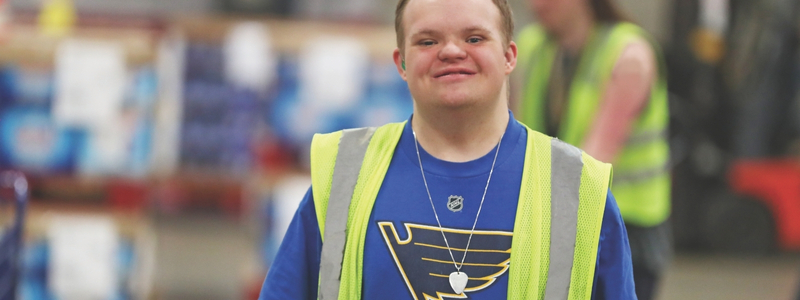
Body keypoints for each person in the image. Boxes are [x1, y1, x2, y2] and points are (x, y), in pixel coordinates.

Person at [259, 0, 636, 298]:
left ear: (509, 56)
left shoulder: (579, 190)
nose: (452, 51)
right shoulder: (346, 174)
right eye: (427, 41)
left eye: (474, 38)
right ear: (401, 63)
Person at [514, 0, 671, 299]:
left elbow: (596, 158)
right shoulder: (531, 46)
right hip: (556, 219)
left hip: (623, 225)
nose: (535, 4)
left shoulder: (629, 55)